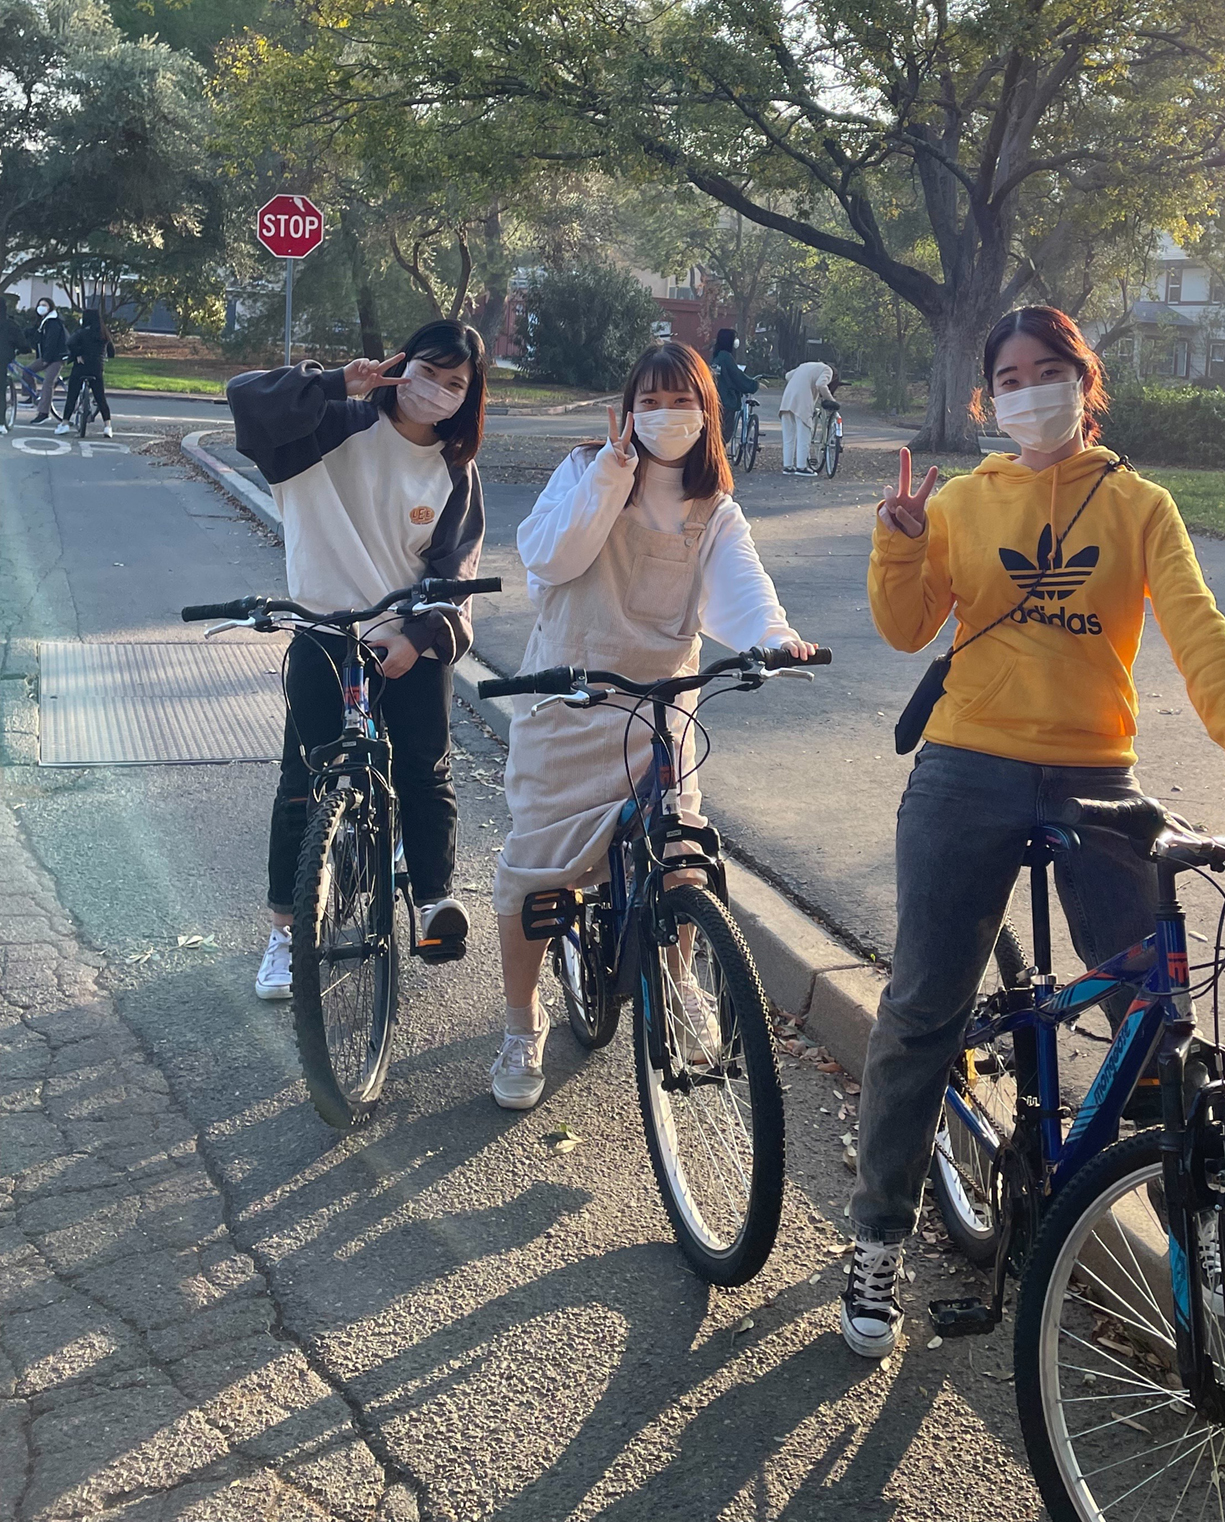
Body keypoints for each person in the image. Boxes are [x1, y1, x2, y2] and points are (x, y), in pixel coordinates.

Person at [839, 304, 1225, 1358]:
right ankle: (876, 1229)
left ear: (1084, 379)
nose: (1029, 389)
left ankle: (1177, 1231)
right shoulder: (966, 498)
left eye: (1048, 370)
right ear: (986, 399)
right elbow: (903, 628)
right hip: (964, 766)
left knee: (1152, 1006)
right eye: (1007, 376)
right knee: (922, 1006)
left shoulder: (1138, 503)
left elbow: (1201, 636)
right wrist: (899, 541)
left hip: (1092, 777)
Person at [493, 339, 812, 1109]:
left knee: (680, 853)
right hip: (570, 696)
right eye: (652, 400)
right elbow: (550, 557)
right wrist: (612, 471)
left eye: (683, 401)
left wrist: (773, 639)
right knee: (538, 871)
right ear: (628, 409)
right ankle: (520, 1022)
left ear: (710, 413)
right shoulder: (585, 470)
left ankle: (680, 984)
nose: (667, 416)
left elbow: (744, 589)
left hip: (663, 706)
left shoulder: (716, 511)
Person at [227, 319, 489, 1002]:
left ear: (470, 397)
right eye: (427, 372)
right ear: (399, 365)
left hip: (407, 638)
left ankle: (432, 902)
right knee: (301, 784)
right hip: (323, 633)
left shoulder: (455, 472)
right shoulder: (327, 424)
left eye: (454, 383)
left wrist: (417, 637)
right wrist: (333, 382)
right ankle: (286, 933)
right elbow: (247, 400)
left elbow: (456, 570)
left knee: (425, 768)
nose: (436, 391)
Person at [57, 309, 115, 435]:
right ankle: (107, 426)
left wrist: (78, 354)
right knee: (100, 397)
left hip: (81, 366)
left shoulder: (82, 333)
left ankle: (65, 423)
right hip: (96, 367)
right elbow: (111, 351)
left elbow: (70, 343)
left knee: (72, 395)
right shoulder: (104, 334)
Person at [778, 358, 838, 475]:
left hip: (787, 398)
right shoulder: (827, 370)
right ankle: (801, 467)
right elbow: (821, 384)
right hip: (802, 401)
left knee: (788, 436)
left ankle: (788, 466)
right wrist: (831, 400)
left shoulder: (805, 365)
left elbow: (787, 376)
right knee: (804, 434)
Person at [710, 327, 759, 444]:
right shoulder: (726, 357)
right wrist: (754, 385)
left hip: (714, 399)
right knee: (724, 433)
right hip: (726, 400)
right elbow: (737, 377)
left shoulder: (715, 357)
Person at [27, 299, 67, 425]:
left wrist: (46, 360)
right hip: (46, 356)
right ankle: (32, 397)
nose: (41, 307)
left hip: (56, 357)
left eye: (44, 305)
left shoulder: (53, 323)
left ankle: (44, 413)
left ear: (50, 307)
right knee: (27, 371)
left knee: (47, 383)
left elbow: (52, 343)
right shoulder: (42, 322)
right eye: (39, 305)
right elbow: (34, 335)